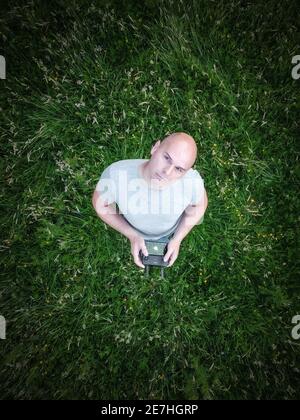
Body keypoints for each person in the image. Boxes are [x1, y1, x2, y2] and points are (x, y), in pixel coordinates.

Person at [92, 132, 208, 269]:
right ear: (155, 148)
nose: (167, 171)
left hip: (170, 231)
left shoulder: (192, 183)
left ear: (186, 172)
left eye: (179, 169)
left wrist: (177, 239)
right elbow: (101, 204)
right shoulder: (116, 174)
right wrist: (132, 235)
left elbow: (200, 205)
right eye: (166, 158)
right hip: (133, 226)